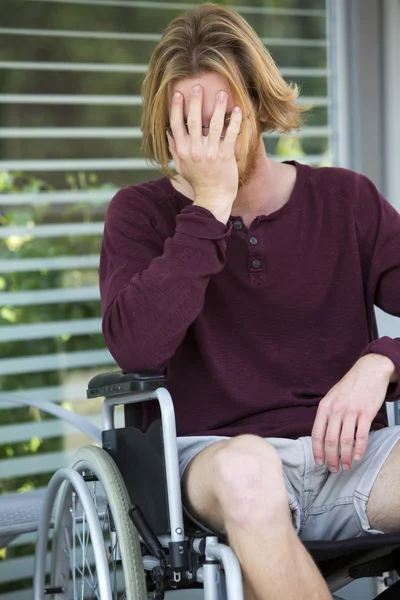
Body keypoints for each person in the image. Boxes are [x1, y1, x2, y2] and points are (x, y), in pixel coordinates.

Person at [99, 3, 400, 599]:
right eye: (188, 122)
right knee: (249, 471)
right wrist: (206, 210)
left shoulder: (347, 200)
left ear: (260, 106)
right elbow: (137, 346)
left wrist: (382, 359)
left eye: (222, 117)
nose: (205, 139)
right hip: (216, 464)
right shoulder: (140, 215)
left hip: (348, 457)